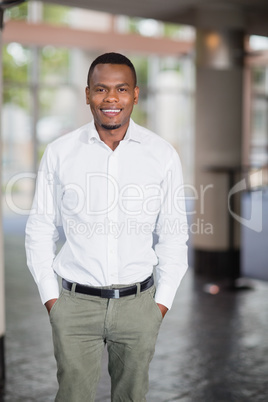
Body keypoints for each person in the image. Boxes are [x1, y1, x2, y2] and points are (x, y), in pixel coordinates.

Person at [25, 52, 188, 402]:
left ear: (135, 94)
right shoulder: (60, 153)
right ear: (87, 94)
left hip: (139, 306)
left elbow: (174, 234)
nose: (111, 99)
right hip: (74, 305)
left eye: (121, 89)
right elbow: (39, 228)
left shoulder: (161, 155)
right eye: (101, 89)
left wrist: (159, 306)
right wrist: (51, 300)